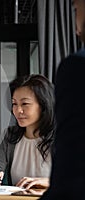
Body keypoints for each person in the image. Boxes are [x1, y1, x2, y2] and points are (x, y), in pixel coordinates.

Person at [40, 0, 85, 199]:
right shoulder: (11, 136)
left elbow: (71, 174)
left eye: (76, 9)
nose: (76, 27)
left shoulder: (77, 67)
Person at [0, 74, 55, 190]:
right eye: (14, 104)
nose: (18, 110)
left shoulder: (62, 136)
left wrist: (49, 182)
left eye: (25, 104)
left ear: (43, 105)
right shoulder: (10, 135)